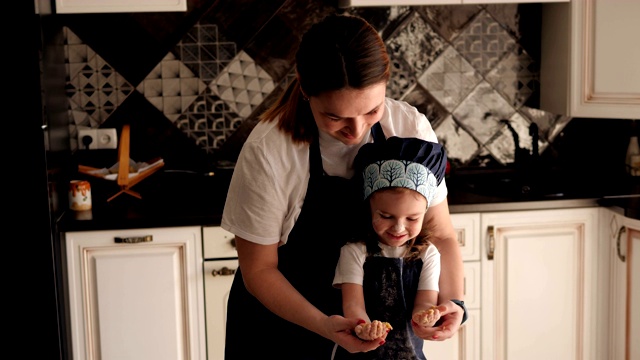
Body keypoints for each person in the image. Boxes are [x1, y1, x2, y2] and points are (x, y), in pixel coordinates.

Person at [220, 13, 466, 359]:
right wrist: (323, 324)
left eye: (371, 110)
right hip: (283, 329)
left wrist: (452, 304)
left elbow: (440, 235)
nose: (356, 131)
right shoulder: (270, 150)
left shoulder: (409, 129)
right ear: (305, 89)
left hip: (381, 335)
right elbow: (259, 270)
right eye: (334, 117)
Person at [332, 137, 456, 360]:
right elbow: (353, 305)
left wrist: (425, 317)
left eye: (412, 218)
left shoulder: (428, 254)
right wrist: (364, 327)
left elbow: (425, 302)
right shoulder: (354, 252)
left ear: (425, 214)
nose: (399, 227)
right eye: (386, 216)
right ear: (370, 209)